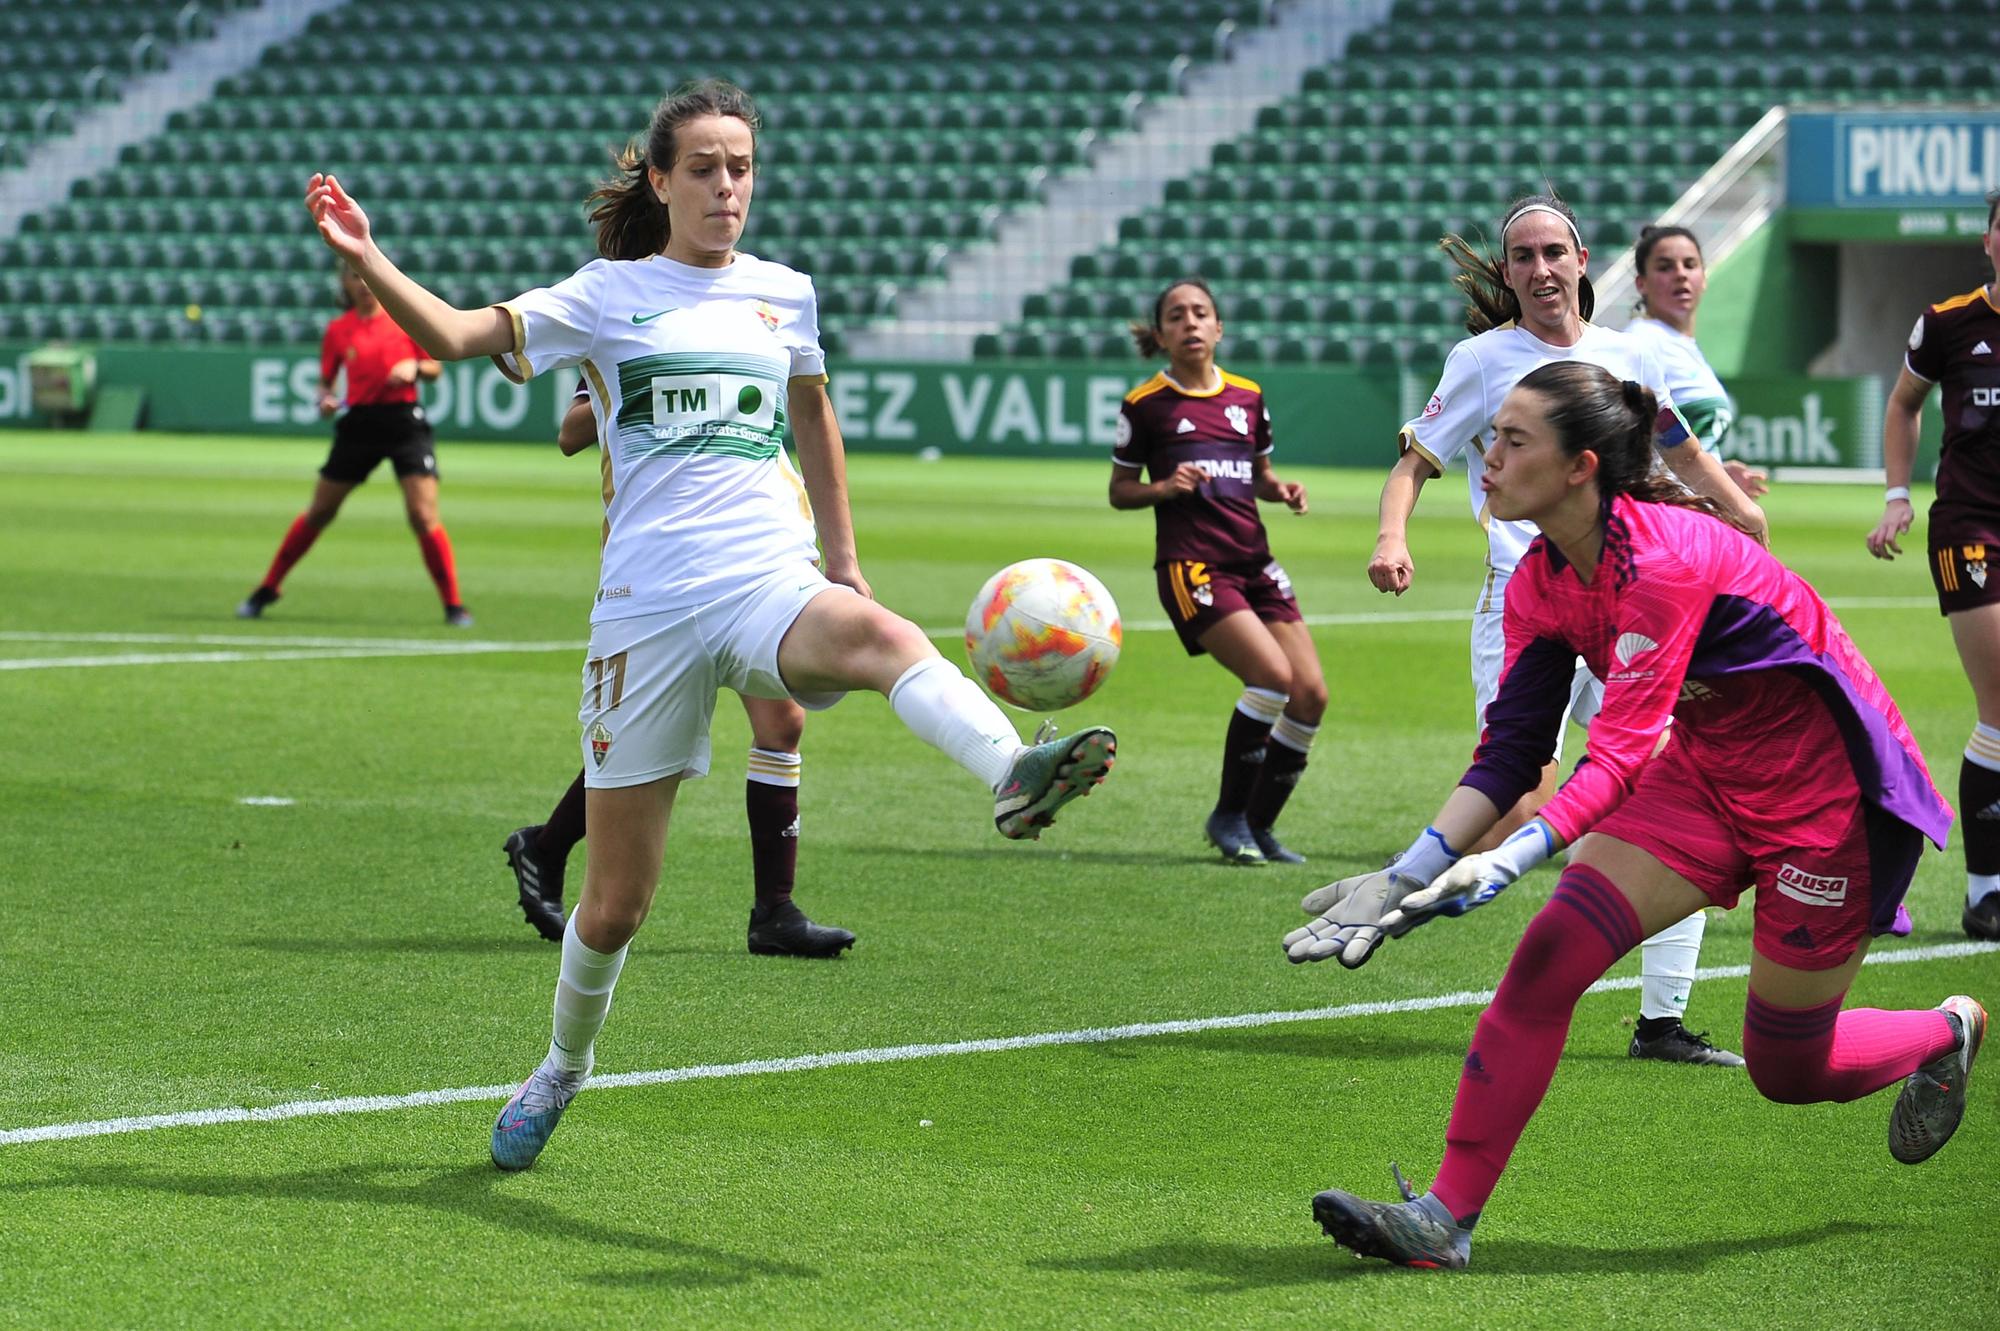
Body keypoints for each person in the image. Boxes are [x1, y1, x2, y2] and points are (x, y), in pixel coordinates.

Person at [304, 78, 1119, 1172]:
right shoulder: (606, 292)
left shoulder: (784, 293)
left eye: (740, 165)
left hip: (761, 579)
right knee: (614, 905)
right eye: (703, 166)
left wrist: (844, 561)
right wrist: (367, 252)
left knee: (882, 640)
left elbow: (814, 419)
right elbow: (454, 334)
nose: (726, 185)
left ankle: (1013, 767)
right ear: (660, 178)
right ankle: (561, 1065)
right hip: (643, 610)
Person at [1287, 361, 1983, 1271]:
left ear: (1579, 466)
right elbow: (1511, 751)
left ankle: (1947, 1029)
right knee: (1546, 960)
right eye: (1490, 437)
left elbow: (1615, 755)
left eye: (1510, 440)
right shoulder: (1542, 577)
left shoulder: (1662, 559)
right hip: (1706, 777)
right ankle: (1444, 1219)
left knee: (1787, 1068)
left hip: (1830, 803)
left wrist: (1505, 859)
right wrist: (1412, 866)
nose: (1485, 458)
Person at [1367, 194, 1768, 1066]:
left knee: (1678, 786)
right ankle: (1421, 882)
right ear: (1507, 275)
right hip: (1529, 600)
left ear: (1583, 259)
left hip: (1632, 597)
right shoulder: (1481, 360)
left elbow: (1676, 444)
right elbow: (1414, 464)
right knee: (1520, 796)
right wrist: (1392, 534)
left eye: (1554, 250)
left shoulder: (1624, 355)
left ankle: (1662, 1020)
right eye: (1523, 257)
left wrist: (1735, 508)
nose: (1541, 269)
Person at [505, 387, 853, 958]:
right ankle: (545, 845)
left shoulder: (762, 306)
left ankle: (775, 911)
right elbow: (572, 432)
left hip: (750, 540)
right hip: (666, 554)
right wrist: (670, 385)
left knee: (783, 722)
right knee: (650, 733)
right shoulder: (634, 310)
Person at [1110, 277, 1323, 866]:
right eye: (1176, 316)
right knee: (1272, 678)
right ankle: (1228, 816)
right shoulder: (1146, 404)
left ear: (1219, 326)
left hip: (1254, 559)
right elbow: (1120, 492)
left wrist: (1280, 490)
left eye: (1200, 313)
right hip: (1192, 564)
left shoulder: (1248, 397)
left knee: (1310, 695)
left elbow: (1256, 473)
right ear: (1160, 334)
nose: (1191, 324)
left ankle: (1258, 826)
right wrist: (1164, 487)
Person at [1867, 189, 2000, 942]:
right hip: (1972, 529)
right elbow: (1902, 404)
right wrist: (1896, 495)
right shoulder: (1949, 323)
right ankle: (1986, 892)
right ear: (1988, 241)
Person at [236, 262, 471, 627]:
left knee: (422, 515)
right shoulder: (338, 330)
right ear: (343, 283)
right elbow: (325, 386)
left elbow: (435, 367)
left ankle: (454, 605)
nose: (362, 284)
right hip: (358, 424)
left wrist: (414, 367)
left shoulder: (403, 320)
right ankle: (268, 587)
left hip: (403, 421)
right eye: (354, 276)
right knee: (319, 512)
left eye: (365, 275)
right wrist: (325, 402)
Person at [1622, 223, 1769, 499]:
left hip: (1696, 513)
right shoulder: (1642, 342)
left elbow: (1676, 450)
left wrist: (1718, 472)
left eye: (1690, 265)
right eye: (1665, 267)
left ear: (1704, 276)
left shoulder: (1682, 345)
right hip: (1667, 517)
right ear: (1641, 283)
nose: (1680, 274)